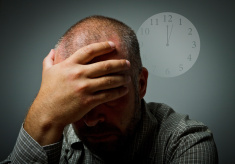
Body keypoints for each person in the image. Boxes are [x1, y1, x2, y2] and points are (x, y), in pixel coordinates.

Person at [1, 15, 218, 164]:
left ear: (140, 84)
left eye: (109, 93)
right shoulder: (56, 136)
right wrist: (43, 112)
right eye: (78, 96)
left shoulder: (185, 141)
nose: (92, 119)